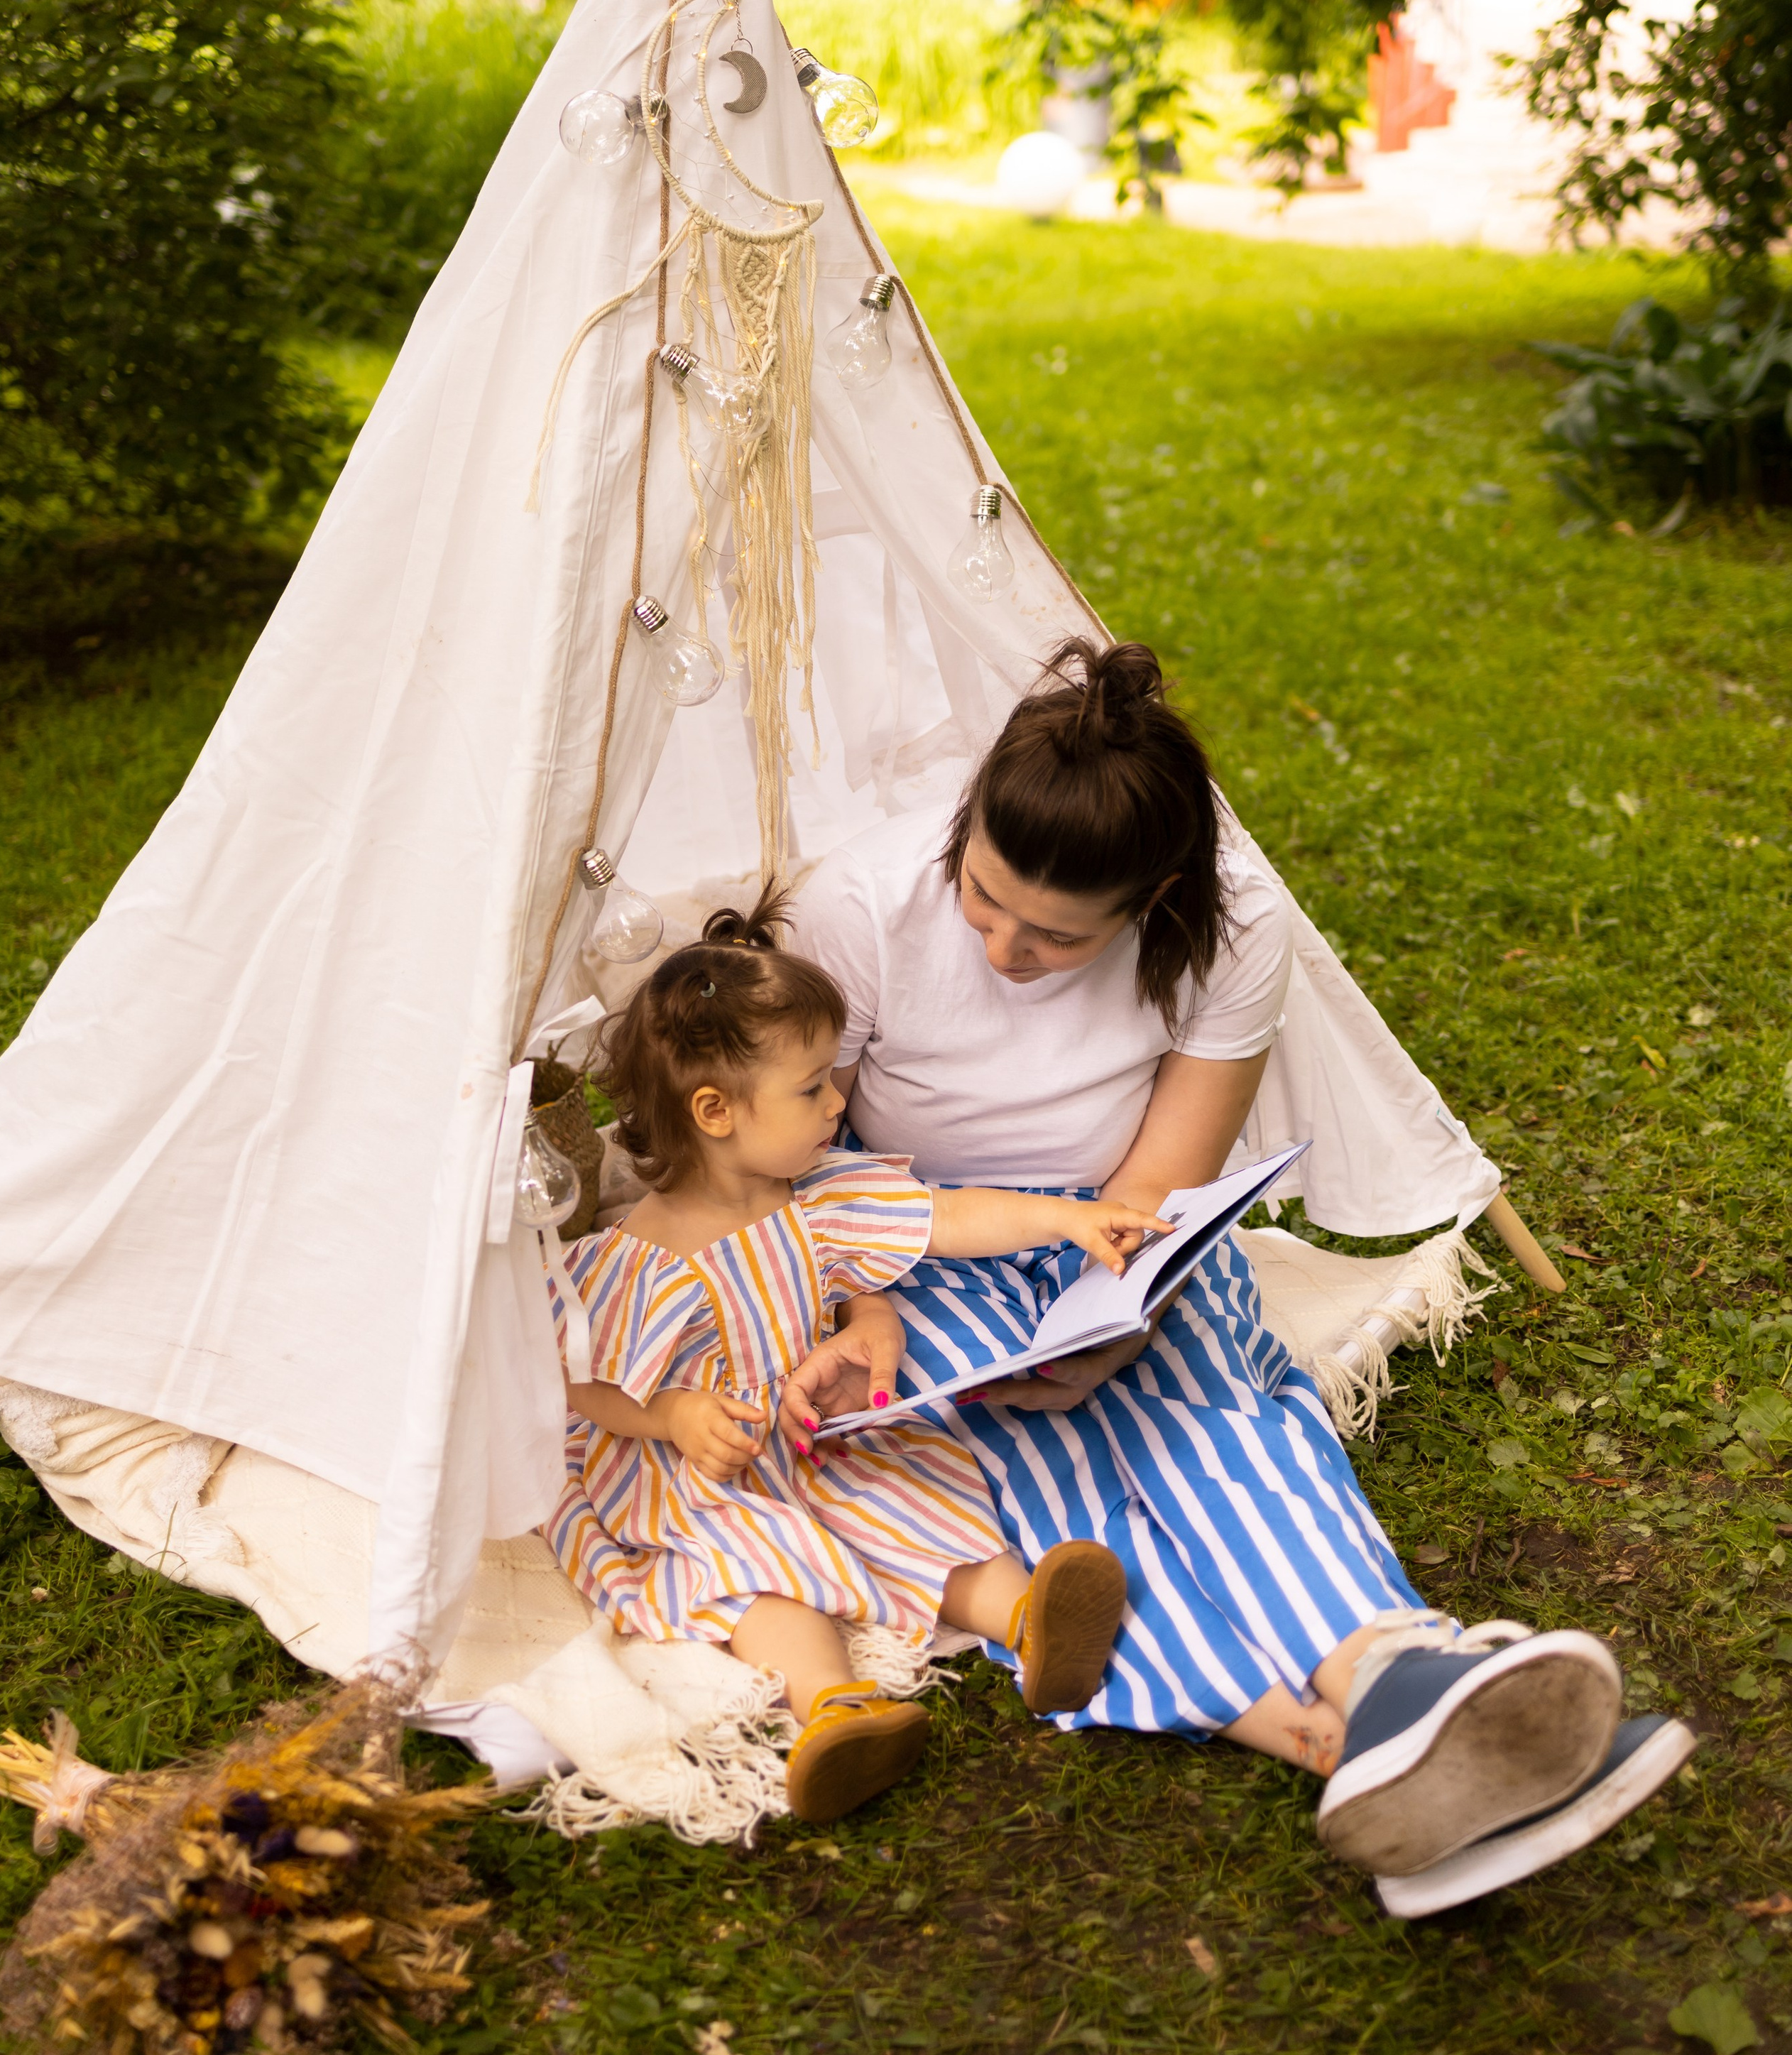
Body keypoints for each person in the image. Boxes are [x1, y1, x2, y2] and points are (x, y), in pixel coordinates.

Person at [788, 638, 1693, 1905]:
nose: (1002, 947)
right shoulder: (859, 904)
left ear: (1155, 897)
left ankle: (1389, 1669)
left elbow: (1160, 1177)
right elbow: (802, 1153)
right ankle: (1358, 1741)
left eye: (1055, 937)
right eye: (982, 897)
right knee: (1065, 1511)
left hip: (1119, 1229)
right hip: (915, 1235)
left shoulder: (1240, 922)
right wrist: (868, 1299)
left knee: (1216, 1415)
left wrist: (1116, 1308)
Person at [545, 893, 1136, 1825]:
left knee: (914, 1499)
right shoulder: (633, 1261)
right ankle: (834, 1706)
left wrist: (1067, 1218)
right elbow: (579, 1384)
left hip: (816, 1433)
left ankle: (1028, 1620)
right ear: (716, 1112)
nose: (836, 1102)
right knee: (755, 1566)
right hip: (707, 1472)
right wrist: (671, 1418)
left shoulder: (815, 1199)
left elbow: (950, 1220)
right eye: (814, 1087)